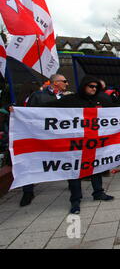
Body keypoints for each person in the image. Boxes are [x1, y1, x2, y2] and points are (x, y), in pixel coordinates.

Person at [46, 75, 116, 214]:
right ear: (84, 86)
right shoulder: (71, 99)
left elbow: (117, 110)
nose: (94, 89)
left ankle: (98, 193)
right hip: (76, 144)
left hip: (93, 142)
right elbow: (46, 108)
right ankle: (75, 200)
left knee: (95, 167)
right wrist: (16, 109)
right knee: (75, 171)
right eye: (91, 86)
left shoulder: (100, 99)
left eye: (96, 87)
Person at [19, 74, 69, 207]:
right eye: (64, 81)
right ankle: (28, 192)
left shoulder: (65, 97)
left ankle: (73, 184)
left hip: (59, 135)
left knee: (68, 158)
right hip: (40, 136)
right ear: (56, 83)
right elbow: (27, 114)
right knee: (31, 161)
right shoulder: (38, 96)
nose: (67, 83)